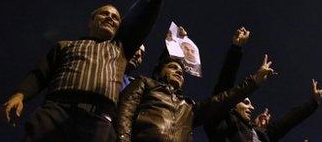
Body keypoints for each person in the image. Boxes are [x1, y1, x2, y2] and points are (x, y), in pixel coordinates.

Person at [0, 0, 184, 142]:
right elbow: (41, 74)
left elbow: (142, 18)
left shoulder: (120, 48)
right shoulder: (64, 46)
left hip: (99, 123)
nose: (110, 19)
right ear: (91, 21)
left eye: (116, 18)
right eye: (105, 14)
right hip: (55, 114)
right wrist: (20, 95)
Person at [115, 47, 276, 142]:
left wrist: (254, 81)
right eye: (173, 67)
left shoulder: (188, 106)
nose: (179, 72)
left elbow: (222, 100)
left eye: (182, 71)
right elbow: (125, 112)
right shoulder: (144, 83)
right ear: (160, 71)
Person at [205, 27, 322, 142]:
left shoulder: (261, 135)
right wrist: (236, 48)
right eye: (246, 103)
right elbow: (224, 85)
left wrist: (313, 103)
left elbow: (287, 121)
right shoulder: (223, 122)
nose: (252, 107)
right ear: (232, 104)